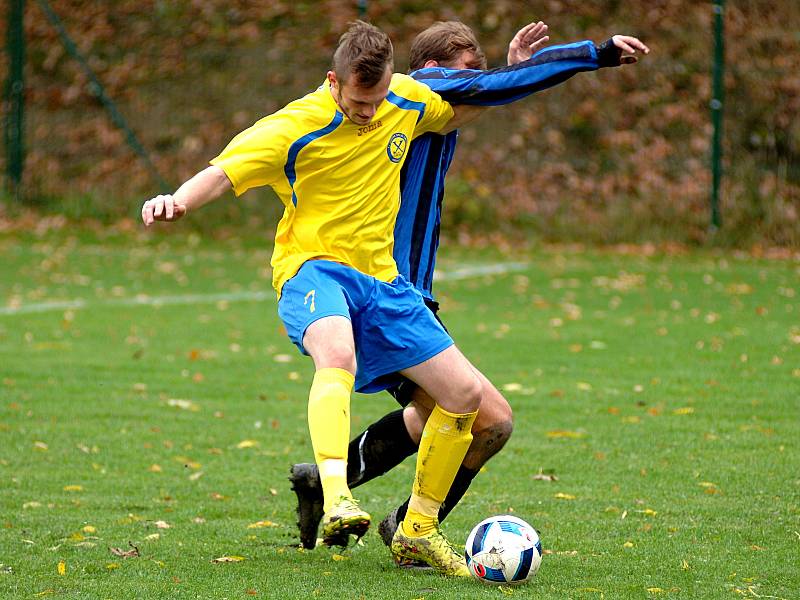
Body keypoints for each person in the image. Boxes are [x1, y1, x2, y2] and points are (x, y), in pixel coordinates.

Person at [141, 20, 514, 577]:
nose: (368, 112)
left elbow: (458, 111)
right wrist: (177, 201)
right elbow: (223, 172)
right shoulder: (294, 125)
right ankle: (339, 496)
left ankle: (416, 531)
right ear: (333, 81)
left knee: (466, 396)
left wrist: (513, 74)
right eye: (358, 101)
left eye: (378, 98)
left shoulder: (405, 99)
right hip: (313, 272)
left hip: (385, 285)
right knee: (336, 352)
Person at [288, 20, 650, 566]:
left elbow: (489, 95)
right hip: (383, 293)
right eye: (468, 73)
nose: (473, 82)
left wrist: (514, 68)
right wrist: (593, 53)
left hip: (406, 293)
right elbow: (486, 90)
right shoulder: (420, 89)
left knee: (445, 412)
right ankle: (408, 527)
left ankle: (336, 485)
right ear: (434, 68)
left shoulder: (424, 107)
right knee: (489, 419)